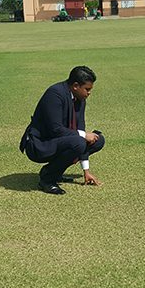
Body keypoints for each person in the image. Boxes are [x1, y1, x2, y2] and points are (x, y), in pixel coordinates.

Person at [19, 66, 105, 195]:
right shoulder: (54, 94)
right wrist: (83, 135)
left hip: (60, 140)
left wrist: (86, 171)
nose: (89, 93)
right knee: (79, 142)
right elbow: (55, 129)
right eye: (87, 89)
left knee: (98, 140)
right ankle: (47, 180)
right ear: (76, 86)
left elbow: (80, 128)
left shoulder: (80, 99)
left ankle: (55, 172)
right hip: (39, 145)